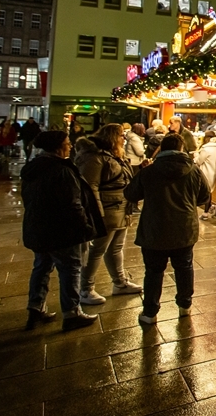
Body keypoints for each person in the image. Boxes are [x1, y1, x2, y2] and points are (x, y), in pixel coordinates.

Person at [21, 131, 104, 331]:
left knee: (41, 267)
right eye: (67, 143)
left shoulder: (33, 168)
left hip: (37, 227)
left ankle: (35, 307)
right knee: (70, 269)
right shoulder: (62, 170)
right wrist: (85, 227)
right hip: (62, 230)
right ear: (58, 147)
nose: (70, 146)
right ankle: (71, 313)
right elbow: (73, 204)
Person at [124, 134, 210, 324]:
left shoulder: (149, 171)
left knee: (154, 271)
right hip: (184, 228)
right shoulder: (194, 171)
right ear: (181, 148)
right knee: (184, 267)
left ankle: (150, 313)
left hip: (155, 228)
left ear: (162, 148)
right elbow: (204, 196)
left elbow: (130, 194)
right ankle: (185, 306)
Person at [74, 123, 142, 304]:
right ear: (112, 137)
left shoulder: (112, 155)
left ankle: (120, 282)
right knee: (98, 248)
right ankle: (86, 289)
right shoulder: (95, 157)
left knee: (116, 247)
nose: (123, 139)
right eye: (121, 136)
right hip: (108, 207)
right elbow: (90, 186)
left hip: (121, 205)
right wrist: (97, 212)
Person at [194, 130, 216, 219]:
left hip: (205, 172)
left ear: (207, 138)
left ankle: (206, 212)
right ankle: (209, 208)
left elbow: (199, 161)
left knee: (204, 191)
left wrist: (195, 155)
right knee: (209, 191)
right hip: (213, 171)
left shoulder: (206, 149)